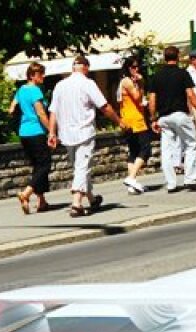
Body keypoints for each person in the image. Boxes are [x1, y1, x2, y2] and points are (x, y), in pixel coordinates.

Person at [47, 54, 121, 217]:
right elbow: (104, 106)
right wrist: (119, 121)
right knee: (82, 167)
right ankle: (76, 203)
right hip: (84, 132)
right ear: (86, 68)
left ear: (73, 68)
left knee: (79, 167)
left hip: (66, 134)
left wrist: (52, 132)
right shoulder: (88, 83)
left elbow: (53, 111)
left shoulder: (60, 85)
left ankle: (92, 199)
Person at [150, 45, 196, 192]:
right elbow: (191, 95)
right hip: (180, 114)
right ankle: (190, 179)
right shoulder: (182, 74)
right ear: (177, 58)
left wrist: (153, 119)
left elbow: (152, 99)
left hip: (164, 117)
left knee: (167, 150)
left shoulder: (157, 76)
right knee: (192, 144)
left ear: (164, 58)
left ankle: (171, 184)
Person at [10, 62, 52, 214]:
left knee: (37, 165)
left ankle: (42, 202)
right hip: (36, 132)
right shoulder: (35, 91)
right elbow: (41, 113)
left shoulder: (21, 90)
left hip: (24, 133)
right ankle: (26, 193)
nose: (43, 76)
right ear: (32, 75)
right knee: (45, 164)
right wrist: (52, 131)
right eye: (41, 74)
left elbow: (11, 108)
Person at [116, 56, 152, 194]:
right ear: (127, 67)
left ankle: (132, 183)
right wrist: (142, 83)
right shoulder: (127, 81)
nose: (136, 70)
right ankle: (131, 177)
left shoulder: (127, 81)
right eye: (133, 67)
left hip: (130, 118)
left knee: (134, 151)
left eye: (137, 67)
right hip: (135, 120)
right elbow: (137, 97)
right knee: (146, 149)